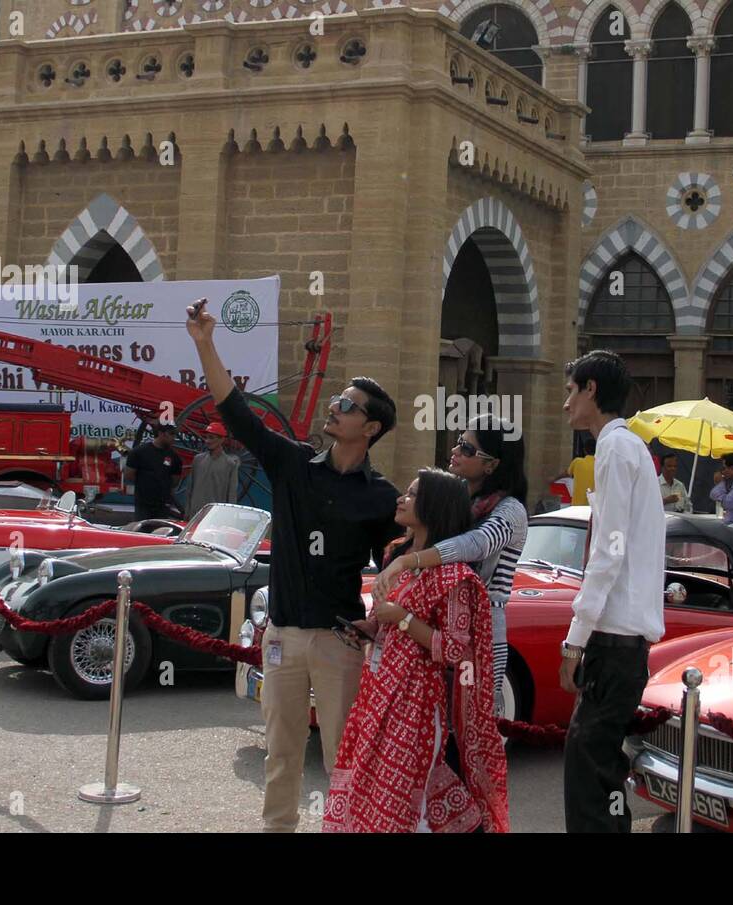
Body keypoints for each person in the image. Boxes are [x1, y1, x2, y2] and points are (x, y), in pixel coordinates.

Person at [185, 298, 403, 834]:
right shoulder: (291, 464)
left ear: (370, 428)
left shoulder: (380, 497)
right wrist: (205, 343)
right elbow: (236, 410)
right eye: (336, 400)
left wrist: (380, 621)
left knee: (340, 762)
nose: (334, 408)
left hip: (338, 642)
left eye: (347, 406)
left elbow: (397, 566)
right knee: (280, 755)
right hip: (281, 635)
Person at [324, 468, 508, 833]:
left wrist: (404, 619)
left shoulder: (455, 578)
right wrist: (372, 630)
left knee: (407, 803)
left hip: (416, 703)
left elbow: (457, 650)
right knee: (371, 791)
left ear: (434, 506)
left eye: (411, 494)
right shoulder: (400, 561)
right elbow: (390, 625)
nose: (401, 499)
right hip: (378, 693)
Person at [559, 350, 665, 834]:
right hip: (620, 639)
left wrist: (575, 638)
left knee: (589, 769)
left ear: (591, 390)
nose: (565, 405)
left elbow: (609, 551)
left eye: (570, 391)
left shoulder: (616, 448)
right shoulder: (625, 447)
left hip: (615, 639)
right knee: (598, 769)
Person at [371, 415, 527, 712]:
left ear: (492, 464)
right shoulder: (457, 502)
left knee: (472, 722)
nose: (455, 451)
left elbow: (476, 545)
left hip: (480, 629)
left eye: (467, 449)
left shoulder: (510, 510)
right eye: (459, 442)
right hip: (432, 627)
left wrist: (406, 562)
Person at [125, 424, 183, 520]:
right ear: (161, 433)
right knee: (142, 533)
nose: (174, 437)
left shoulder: (174, 457)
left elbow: (175, 481)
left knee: (160, 533)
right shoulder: (138, 452)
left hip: (163, 505)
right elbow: (129, 475)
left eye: (175, 434)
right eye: (171, 434)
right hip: (143, 504)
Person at [185, 421, 241, 518]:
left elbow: (231, 495)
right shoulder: (198, 459)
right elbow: (190, 488)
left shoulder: (230, 464)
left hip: (214, 517)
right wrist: (187, 512)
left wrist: (229, 518)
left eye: (211, 437)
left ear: (222, 439)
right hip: (194, 515)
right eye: (206, 437)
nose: (207, 441)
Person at [567, 434, 596, 505]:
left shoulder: (577, 462)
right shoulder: (600, 464)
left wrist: (553, 478)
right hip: (592, 505)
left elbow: (567, 473)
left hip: (576, 504)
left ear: (584, 450)